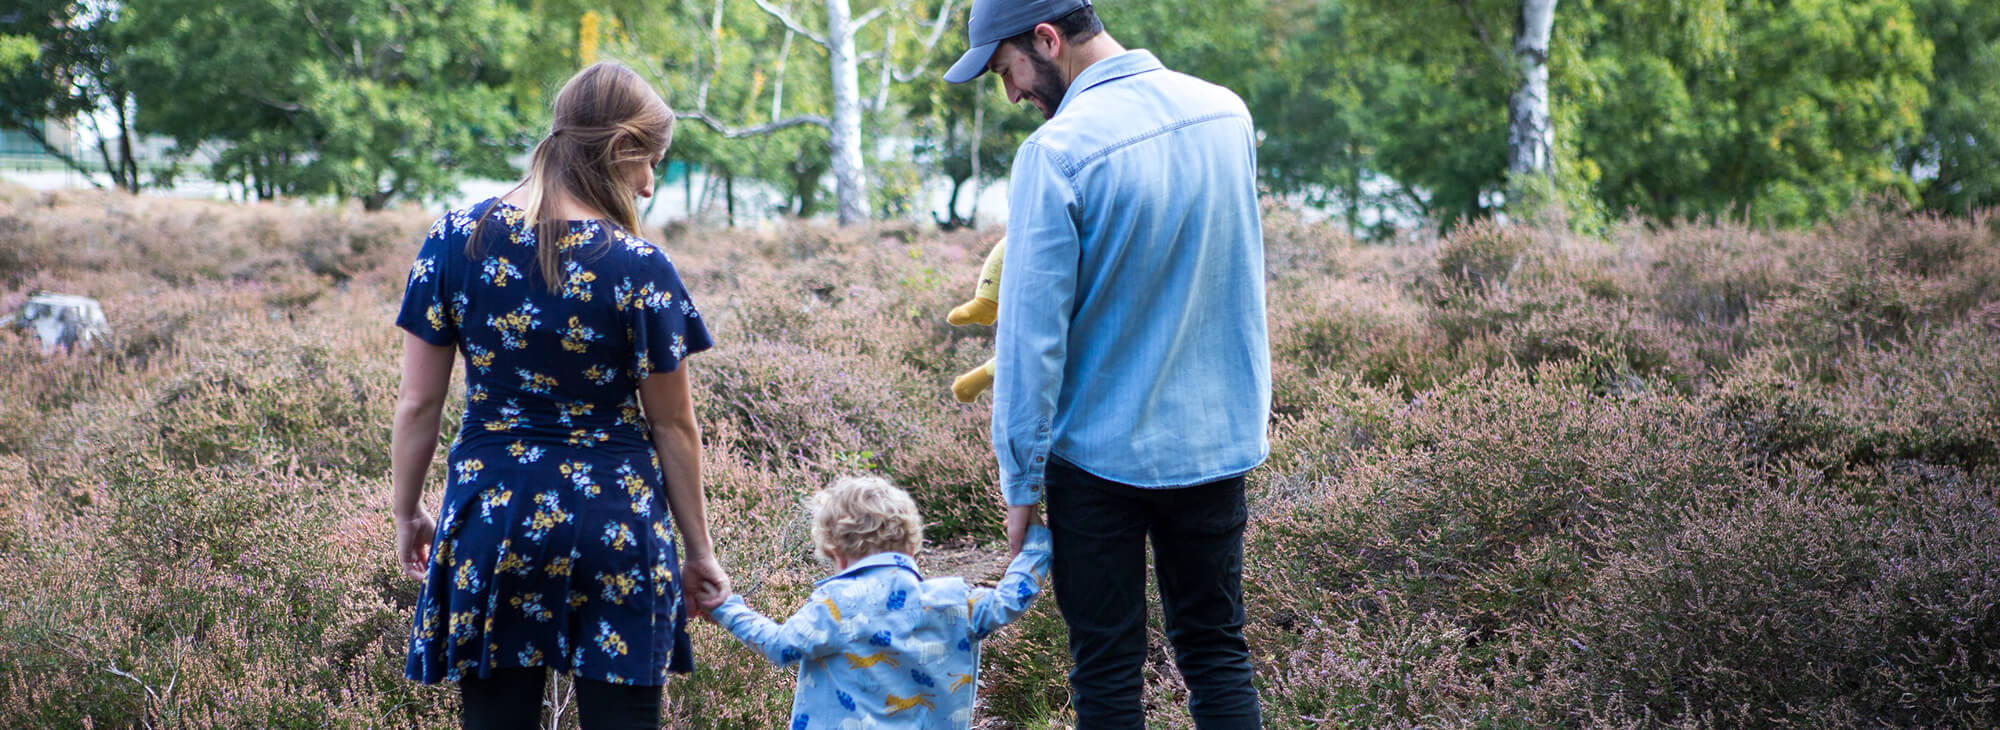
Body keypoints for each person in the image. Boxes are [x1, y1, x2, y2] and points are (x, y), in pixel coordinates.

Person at [943, 1, 1271, 727]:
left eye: (1007, 70)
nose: (1012, 93)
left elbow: (1031, 343)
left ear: (1047, 39)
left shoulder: (1055, 153)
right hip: (1215, 443)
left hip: (1098, 461)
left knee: (1107, 667)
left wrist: (1020, 484)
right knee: (1219, 651)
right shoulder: (1227, 115)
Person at [389, 62, 731, 730]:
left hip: (493, 515)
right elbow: (674, 429)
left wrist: (408, 512)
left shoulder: (455, 240)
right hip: (615, 523)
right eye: (650, 163)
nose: (650, 183)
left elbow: (417, 404)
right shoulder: (641, 267)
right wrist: (700, 553)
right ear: (622, 149)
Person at [708, 476, 1052, 729]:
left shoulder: (837, 603)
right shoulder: (953, 600)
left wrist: (724, 607)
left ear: (835, 550)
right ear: (911, 543)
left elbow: (780, 646)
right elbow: (1013, 598)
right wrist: (1035, 541)